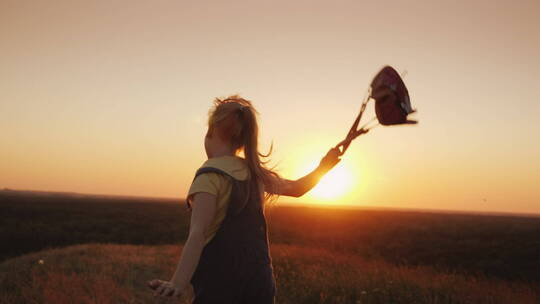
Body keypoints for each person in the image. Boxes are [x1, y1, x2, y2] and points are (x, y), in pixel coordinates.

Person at [148, 95, 341, 303]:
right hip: (260, 282)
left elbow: (198, 233)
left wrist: (178, 282)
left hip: (220, 285)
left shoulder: (208, 176)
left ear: (210, 130)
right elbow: (297, 188)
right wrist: (324, 167)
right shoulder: (255, 173)